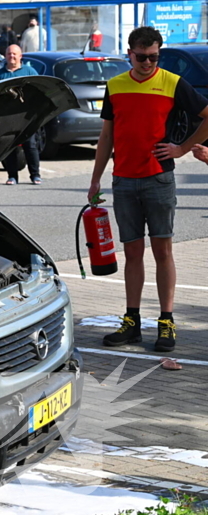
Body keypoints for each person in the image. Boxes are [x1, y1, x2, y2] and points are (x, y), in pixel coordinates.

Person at [89, 26, 208, 353]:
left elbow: (207, 115)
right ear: (130, 53)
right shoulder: (115, 86)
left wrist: (182, 148)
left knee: (163, 251)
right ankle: (132, 321)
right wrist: (96, 178)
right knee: (132, 252)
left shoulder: (172, 82)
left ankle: (167, 321)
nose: (148, 62)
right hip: (124, 180)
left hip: (158, 179)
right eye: (142, 57)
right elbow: (106, 138)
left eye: (154, 56)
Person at [0, 45, 42, 184]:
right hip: (7, 118)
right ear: (5, 56)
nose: (11, 56)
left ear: (20, 56)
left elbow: (40, 91)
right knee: (10, 147)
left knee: (30, 146)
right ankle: (12, 176)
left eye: (14, 54)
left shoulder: (29, 71)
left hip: (27, 117)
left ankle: (35, 175)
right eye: (9, 54)